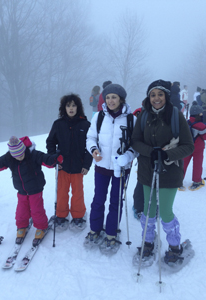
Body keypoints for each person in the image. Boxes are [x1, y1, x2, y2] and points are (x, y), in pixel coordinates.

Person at [131, 79, 194, 265]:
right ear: (148, 97)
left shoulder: (175, 115)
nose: (156, 98)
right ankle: (148, 243)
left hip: (169, 172)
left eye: (160, 94)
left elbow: (188, 146)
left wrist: (166, 154)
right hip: (146, 171)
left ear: (166, 96)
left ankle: (175, 247)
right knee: (147, 211)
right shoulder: (143, 115)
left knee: (165, 212)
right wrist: (151, 152)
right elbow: (134, 141)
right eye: (152, 94)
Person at [85, 83, 137, 253]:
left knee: (116, 200)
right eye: (107, 97)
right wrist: (94, 150)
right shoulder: (99, 117)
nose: (110, 101)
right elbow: (90, 137)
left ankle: (111, 232)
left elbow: (136, 145)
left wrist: (127, 156)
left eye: (114, 97)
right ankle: (95, 229)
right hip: (101, 166)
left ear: (121, 99)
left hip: (121, 168)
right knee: (98, 198)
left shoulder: (131, 119)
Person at [0, 136, 63, 246]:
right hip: (21, 190)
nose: (19, 157)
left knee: (36, 209)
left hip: (35, 189)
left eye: (21, 154)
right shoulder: (9, 157)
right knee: (21, 210)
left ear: (24, 149)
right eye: (16, 156)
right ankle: (22, 225)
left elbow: (46, 159)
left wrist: (55, 159)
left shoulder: (33, 154)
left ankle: (41, 227)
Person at [46, 94, 93, 231]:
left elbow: (90, 146)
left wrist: (86, 165)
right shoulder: (58, 124)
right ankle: (61, 215)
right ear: (64, 108)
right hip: (62, 166)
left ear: (78, 107)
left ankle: (78, 215)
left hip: (79, 166)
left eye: (73, 105)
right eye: (68, 105)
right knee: (61, 191)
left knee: (78, 192)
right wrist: (54, 159)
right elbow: (50, 142)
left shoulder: (85, 124)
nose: (71, 108)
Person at [181, 101, 206, 191]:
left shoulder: (187, 122)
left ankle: (178, 180)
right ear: (198, 114)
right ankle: (197, 181)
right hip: (198, 148)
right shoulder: (201, 125)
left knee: (183, 163)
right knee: (197, 164)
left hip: (187, 147)